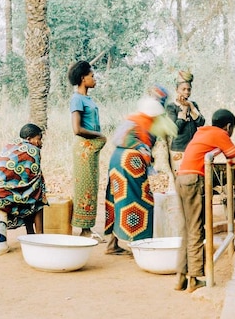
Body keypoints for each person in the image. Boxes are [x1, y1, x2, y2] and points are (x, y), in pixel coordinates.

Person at [174, 109, 235, 293]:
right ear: (228, 126)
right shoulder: (220, 134)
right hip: (194, 181)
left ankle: (181, 278)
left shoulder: (202, 131)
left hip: (181, 179)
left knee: (186, 229)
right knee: (197, 229)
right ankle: (194, 278)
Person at [104, 85, 174, 254]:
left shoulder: (134, 118)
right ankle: (138, 246)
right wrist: (172, 171)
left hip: (116, 159)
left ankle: (112, 244)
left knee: (117, 198)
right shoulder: (156, 122)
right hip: (131, 162)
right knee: (141, 201)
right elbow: (165, 147)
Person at [0, 123, 47, 234]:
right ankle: (39, 235)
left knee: (30, 194)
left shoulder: (10, 146)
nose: (41, 143)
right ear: (29, 139)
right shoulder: (32, 150)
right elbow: (35, 180)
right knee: (38, 195)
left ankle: (30, 233)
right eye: (39, 139)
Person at [68, 60, 107, 238]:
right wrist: (99, 136)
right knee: (85, 187)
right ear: (83, 79)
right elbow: (77, 129)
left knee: (91, 186)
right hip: (84, 147)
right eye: (92, 76)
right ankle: (84, 230)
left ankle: (87, 228)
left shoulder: (87, 99)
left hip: (90, 148)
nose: (94, 79)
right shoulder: (77, 99)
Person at [165, 70, 206, 170]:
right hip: (178, 150)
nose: (186, 92)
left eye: (189, 89)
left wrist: (191, 107)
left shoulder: (193, 105)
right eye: (183, 89)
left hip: (193, 148)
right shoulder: (171, 107)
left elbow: (201, 123)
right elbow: (175, 130)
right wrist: (183, 112)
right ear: (176, 90)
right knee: (180, 177)